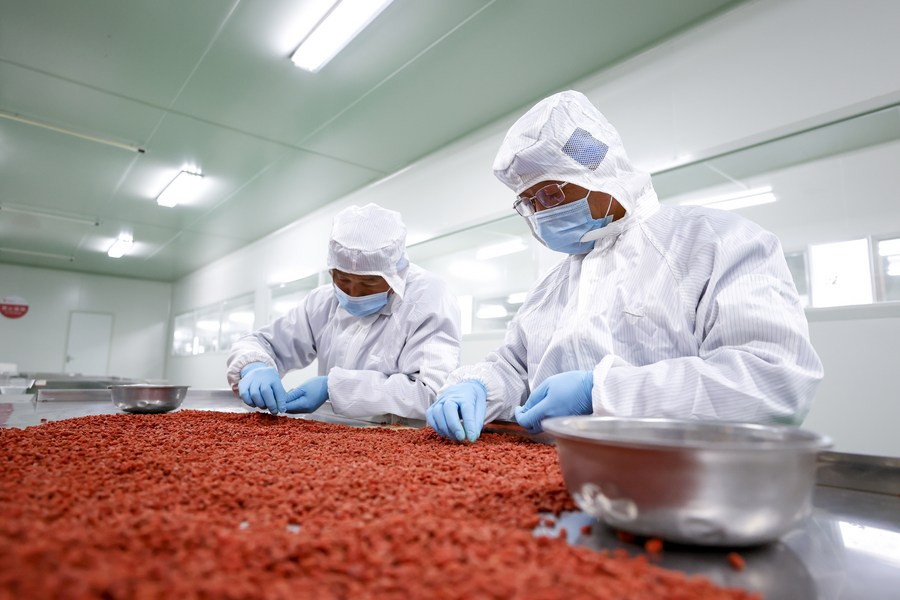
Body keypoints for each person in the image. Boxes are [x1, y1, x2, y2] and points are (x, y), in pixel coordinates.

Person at [427, 90, 823, 443]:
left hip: (687, 480)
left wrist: (602, 391)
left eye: (550, 194)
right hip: (556, 474)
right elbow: (512, 367)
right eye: (528, 203)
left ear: (597, 171)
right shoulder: (552, 286)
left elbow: (773, 383)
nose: (540, 214)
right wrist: (477, 386)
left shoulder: (719, 242)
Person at [227, 203, 461, 420]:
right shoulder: (322, 302)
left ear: (395, 273)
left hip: (397, 435)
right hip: (326, 433)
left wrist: (334, 387)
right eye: (343, 279)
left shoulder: (427, 298)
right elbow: (260, 343)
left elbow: (429, 392)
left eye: (369, 282)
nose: (353, 293)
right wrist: (254, 366)